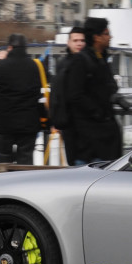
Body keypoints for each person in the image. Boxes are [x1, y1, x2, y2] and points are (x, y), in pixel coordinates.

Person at [60, 17, 122, 164]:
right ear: (96, 37)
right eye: (106, 33)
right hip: (89, 142)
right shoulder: (82, 61)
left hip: (100, 137)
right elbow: (75, 95)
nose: (110, 37)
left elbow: (107, 86)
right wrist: (98, 112)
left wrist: (114, 96)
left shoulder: (100, 58)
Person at [0, 33, 46, 165]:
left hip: (4, 123)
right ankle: (24, 185)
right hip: (29, 123)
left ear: (9, 47)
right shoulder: (35, 66)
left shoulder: (0, 66)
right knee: (26, 161)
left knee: (4, 160)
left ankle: (5, 184)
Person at [51, 26, 86, 164]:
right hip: (70, 124)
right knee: (74, 162)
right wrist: (56, 120)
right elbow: (56, 93)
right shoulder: (63, 65)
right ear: (69, 42)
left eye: (82, 40)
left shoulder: (90, 63)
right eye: (75, 40)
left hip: (87, 125)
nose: (79, 43)